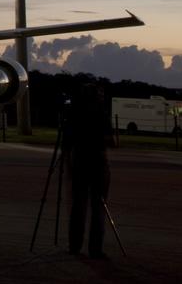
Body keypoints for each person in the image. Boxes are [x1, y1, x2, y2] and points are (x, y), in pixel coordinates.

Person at [62, 82, 113, 258]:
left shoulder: (74, 112)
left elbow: (67, 140)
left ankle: (74, 245)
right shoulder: (102, 113)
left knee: (78, 205)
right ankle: (95, 248)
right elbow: (109, 140)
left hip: (80, 160)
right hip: (98, 161)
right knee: (98, 206)